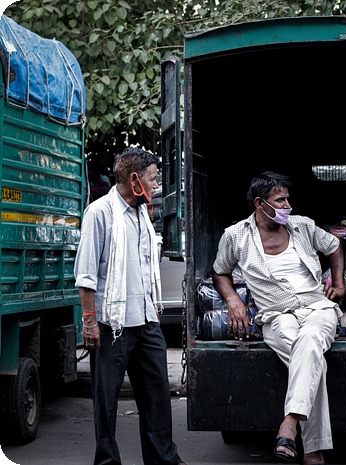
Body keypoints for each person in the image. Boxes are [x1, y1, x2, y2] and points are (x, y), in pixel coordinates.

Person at [212, 171, 345, 465]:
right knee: (312, 358)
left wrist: (338, 284)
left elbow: (334, 245)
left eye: (288, 199)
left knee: (310, 339)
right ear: (260, 203)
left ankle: (290, 424)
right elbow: (220, 271)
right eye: (280, 200)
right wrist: (233, 300)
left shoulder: (303, 226)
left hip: (317, 308)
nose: (288, 206)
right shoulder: (235, 235)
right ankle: (313, 450)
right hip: (276, 315)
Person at [74, 146, 186, 465]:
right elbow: (86, 275)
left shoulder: (141, 214)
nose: (156, 185)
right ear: (135, 179)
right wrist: (90, 321)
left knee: (156, 396)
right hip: (112, 324)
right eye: (152, 178)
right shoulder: (100, 213)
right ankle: (107, 461)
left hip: (146, 320)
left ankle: (163, 460)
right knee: (106, 400)